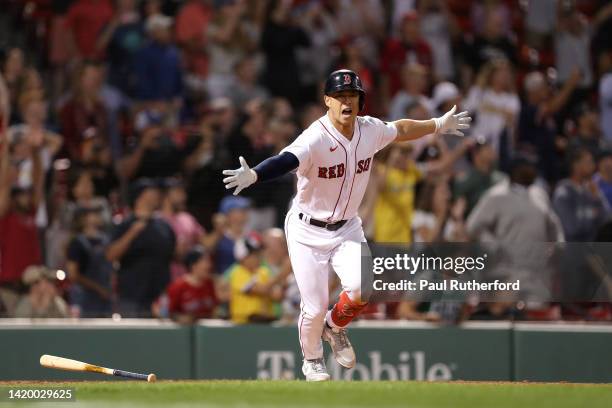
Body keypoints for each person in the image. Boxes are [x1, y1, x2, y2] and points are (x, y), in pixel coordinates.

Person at [221, 69, 470, 381]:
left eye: (352, 95)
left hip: (347, 227)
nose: (346, 101)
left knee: (362, 287)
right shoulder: (316, 137)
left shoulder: (369, 130)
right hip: (306, 230)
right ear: (327, 100)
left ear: (360, 101)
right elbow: (285, 160)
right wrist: (255, 174)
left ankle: (334, 327)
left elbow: (401, 128)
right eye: (339, 96)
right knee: (313, 306)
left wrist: (437, 125)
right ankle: (312, 360)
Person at [105, 179, 176, 317]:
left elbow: (174, 255)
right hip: (132, 295)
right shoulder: (125, 224)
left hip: (160, 295)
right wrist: (132, 233)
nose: (156, 195)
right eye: (151, 191)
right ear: (140, 196)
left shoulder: (163, 226)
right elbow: (110, 255)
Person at [65, 206, 114, 317]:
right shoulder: (77, 243)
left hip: (105, 297)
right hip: (84, 297)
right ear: (84, 219)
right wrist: (98, 288)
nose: (98, 216)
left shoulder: (106, 240)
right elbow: (73, 274)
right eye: (93, 214)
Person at [226, 232, 282, 324]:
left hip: (264, 322)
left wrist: (269, 288)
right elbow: (260, 290)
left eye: (258, 254)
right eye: (254, 254)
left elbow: (277, 296)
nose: (258, 257)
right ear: (243, 257)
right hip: (243, 324)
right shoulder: (238, 272)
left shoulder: (264, 271)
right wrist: (282, 275)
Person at [163, 245, 218, 323]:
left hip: (205, 331)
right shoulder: (178, 286)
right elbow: (165, 312)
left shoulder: (209, 284)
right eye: (205, 261)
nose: (209, 265)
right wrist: (179, 318)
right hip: (183, 332)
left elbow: (214, 308)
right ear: (193, 265)